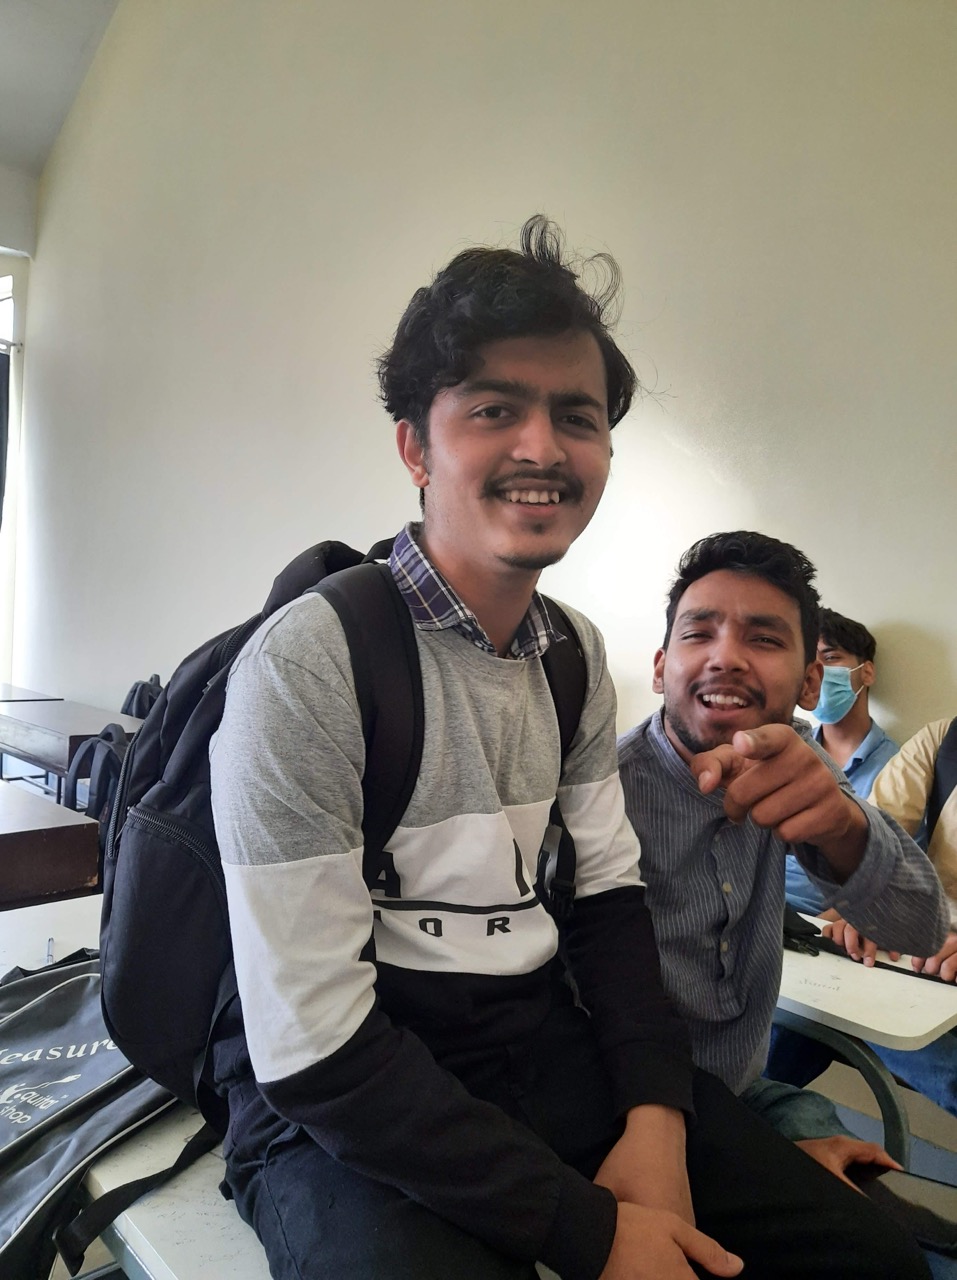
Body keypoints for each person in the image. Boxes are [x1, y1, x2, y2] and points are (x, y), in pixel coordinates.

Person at [209, 224, 936, 1280]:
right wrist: (591, 1230)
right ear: (415, 447)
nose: (543, 447)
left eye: (577, 417)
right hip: (340, 1095)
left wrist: (656, 1120)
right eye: (494, 409)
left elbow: (608, 908)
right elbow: (314, 1047)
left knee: (869, 1260)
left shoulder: (570, 654)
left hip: (536, 1046)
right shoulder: (311, 659)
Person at [617, 531, 948, 1155]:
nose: (726, 657)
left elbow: (920, 928)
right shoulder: (600, 791)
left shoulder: (800, 762)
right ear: (660, 668)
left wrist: (845, 828)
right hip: (622, 1108)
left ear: (809, 683)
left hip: (742, 1092)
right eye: (698, 633)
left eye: (765, 639)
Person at [785, 607, 899, 915]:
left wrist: (825, 928)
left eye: (831, 657)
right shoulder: (789, 750)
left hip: (821, 924)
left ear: (867, 672)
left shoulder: (896, 767)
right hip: (760, 909)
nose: (819, 672)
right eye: (811, 661)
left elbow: (894, 875)